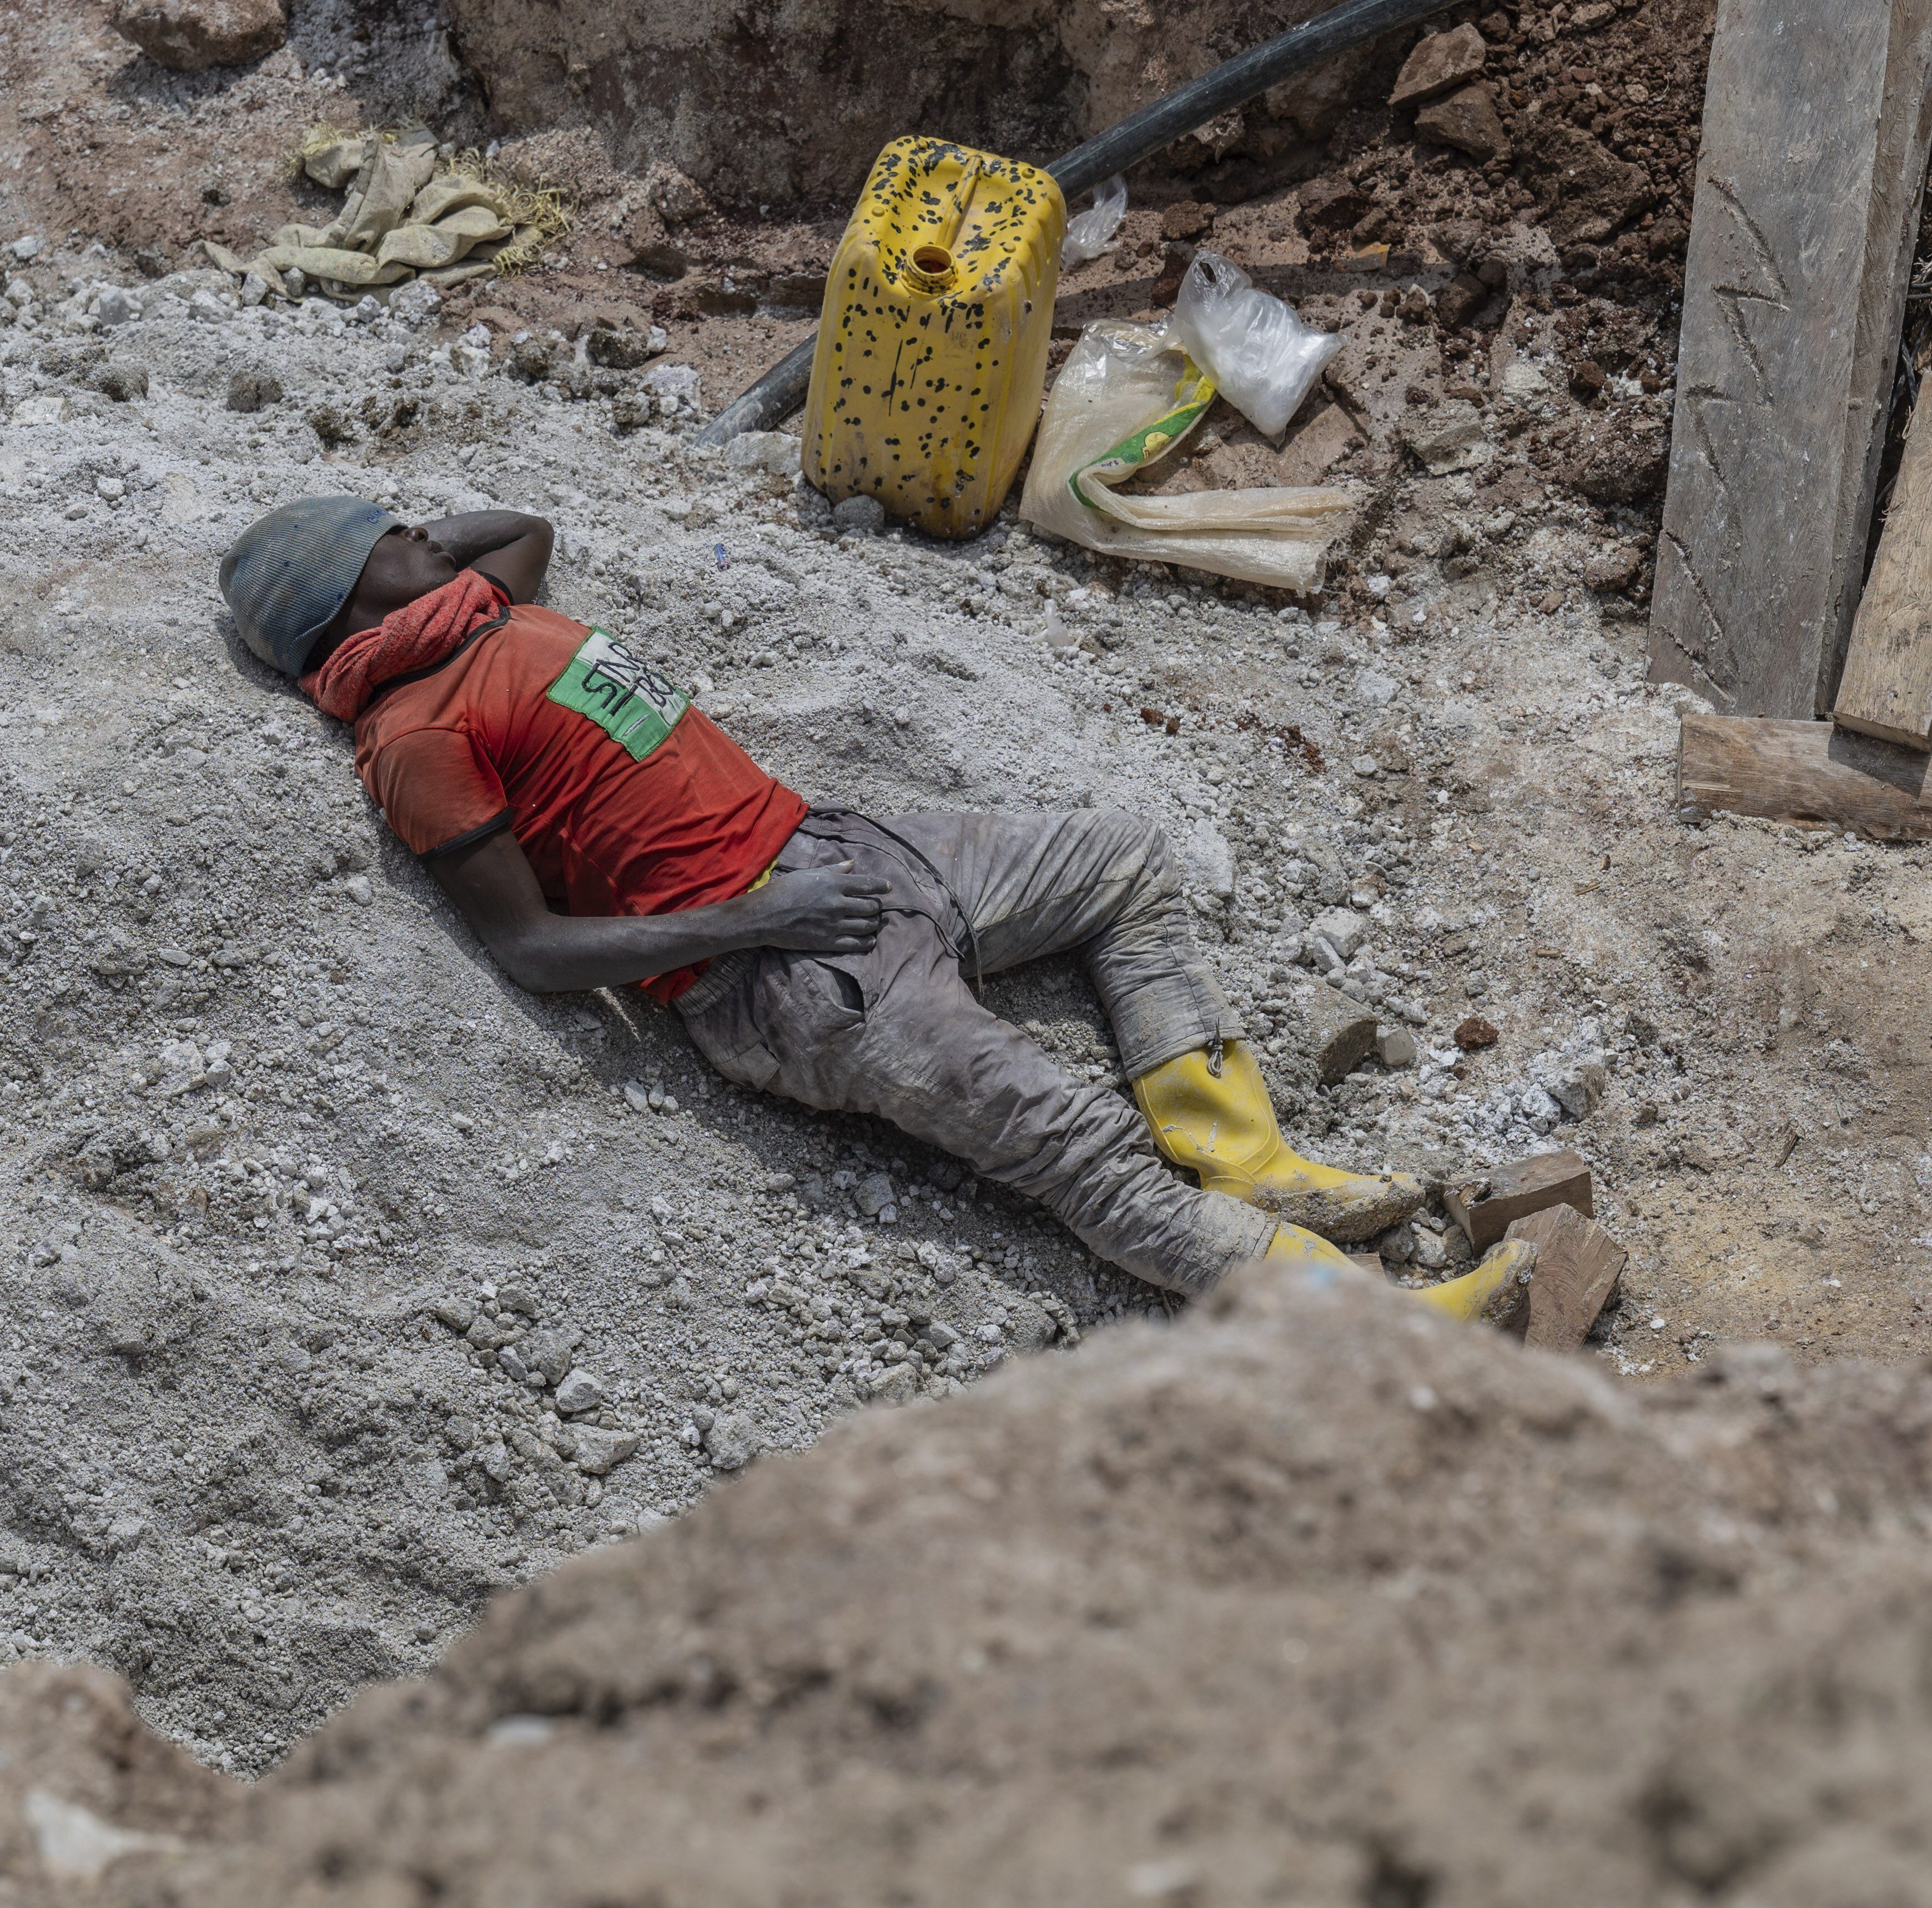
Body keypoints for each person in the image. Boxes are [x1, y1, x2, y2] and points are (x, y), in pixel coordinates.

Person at [218, 495, 1526, 1312]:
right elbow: (532, 945)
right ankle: (1375, 1332)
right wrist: (752, 927)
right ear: (349, 600)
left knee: (1123, 860)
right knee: (1074, 1146)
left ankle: (1243, 1150)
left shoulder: (476, 610)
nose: (417, 529)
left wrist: (413, 551)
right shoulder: (414, 735)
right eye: (383, 535)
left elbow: (518, 529)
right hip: (784, 976)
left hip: (850, 848)